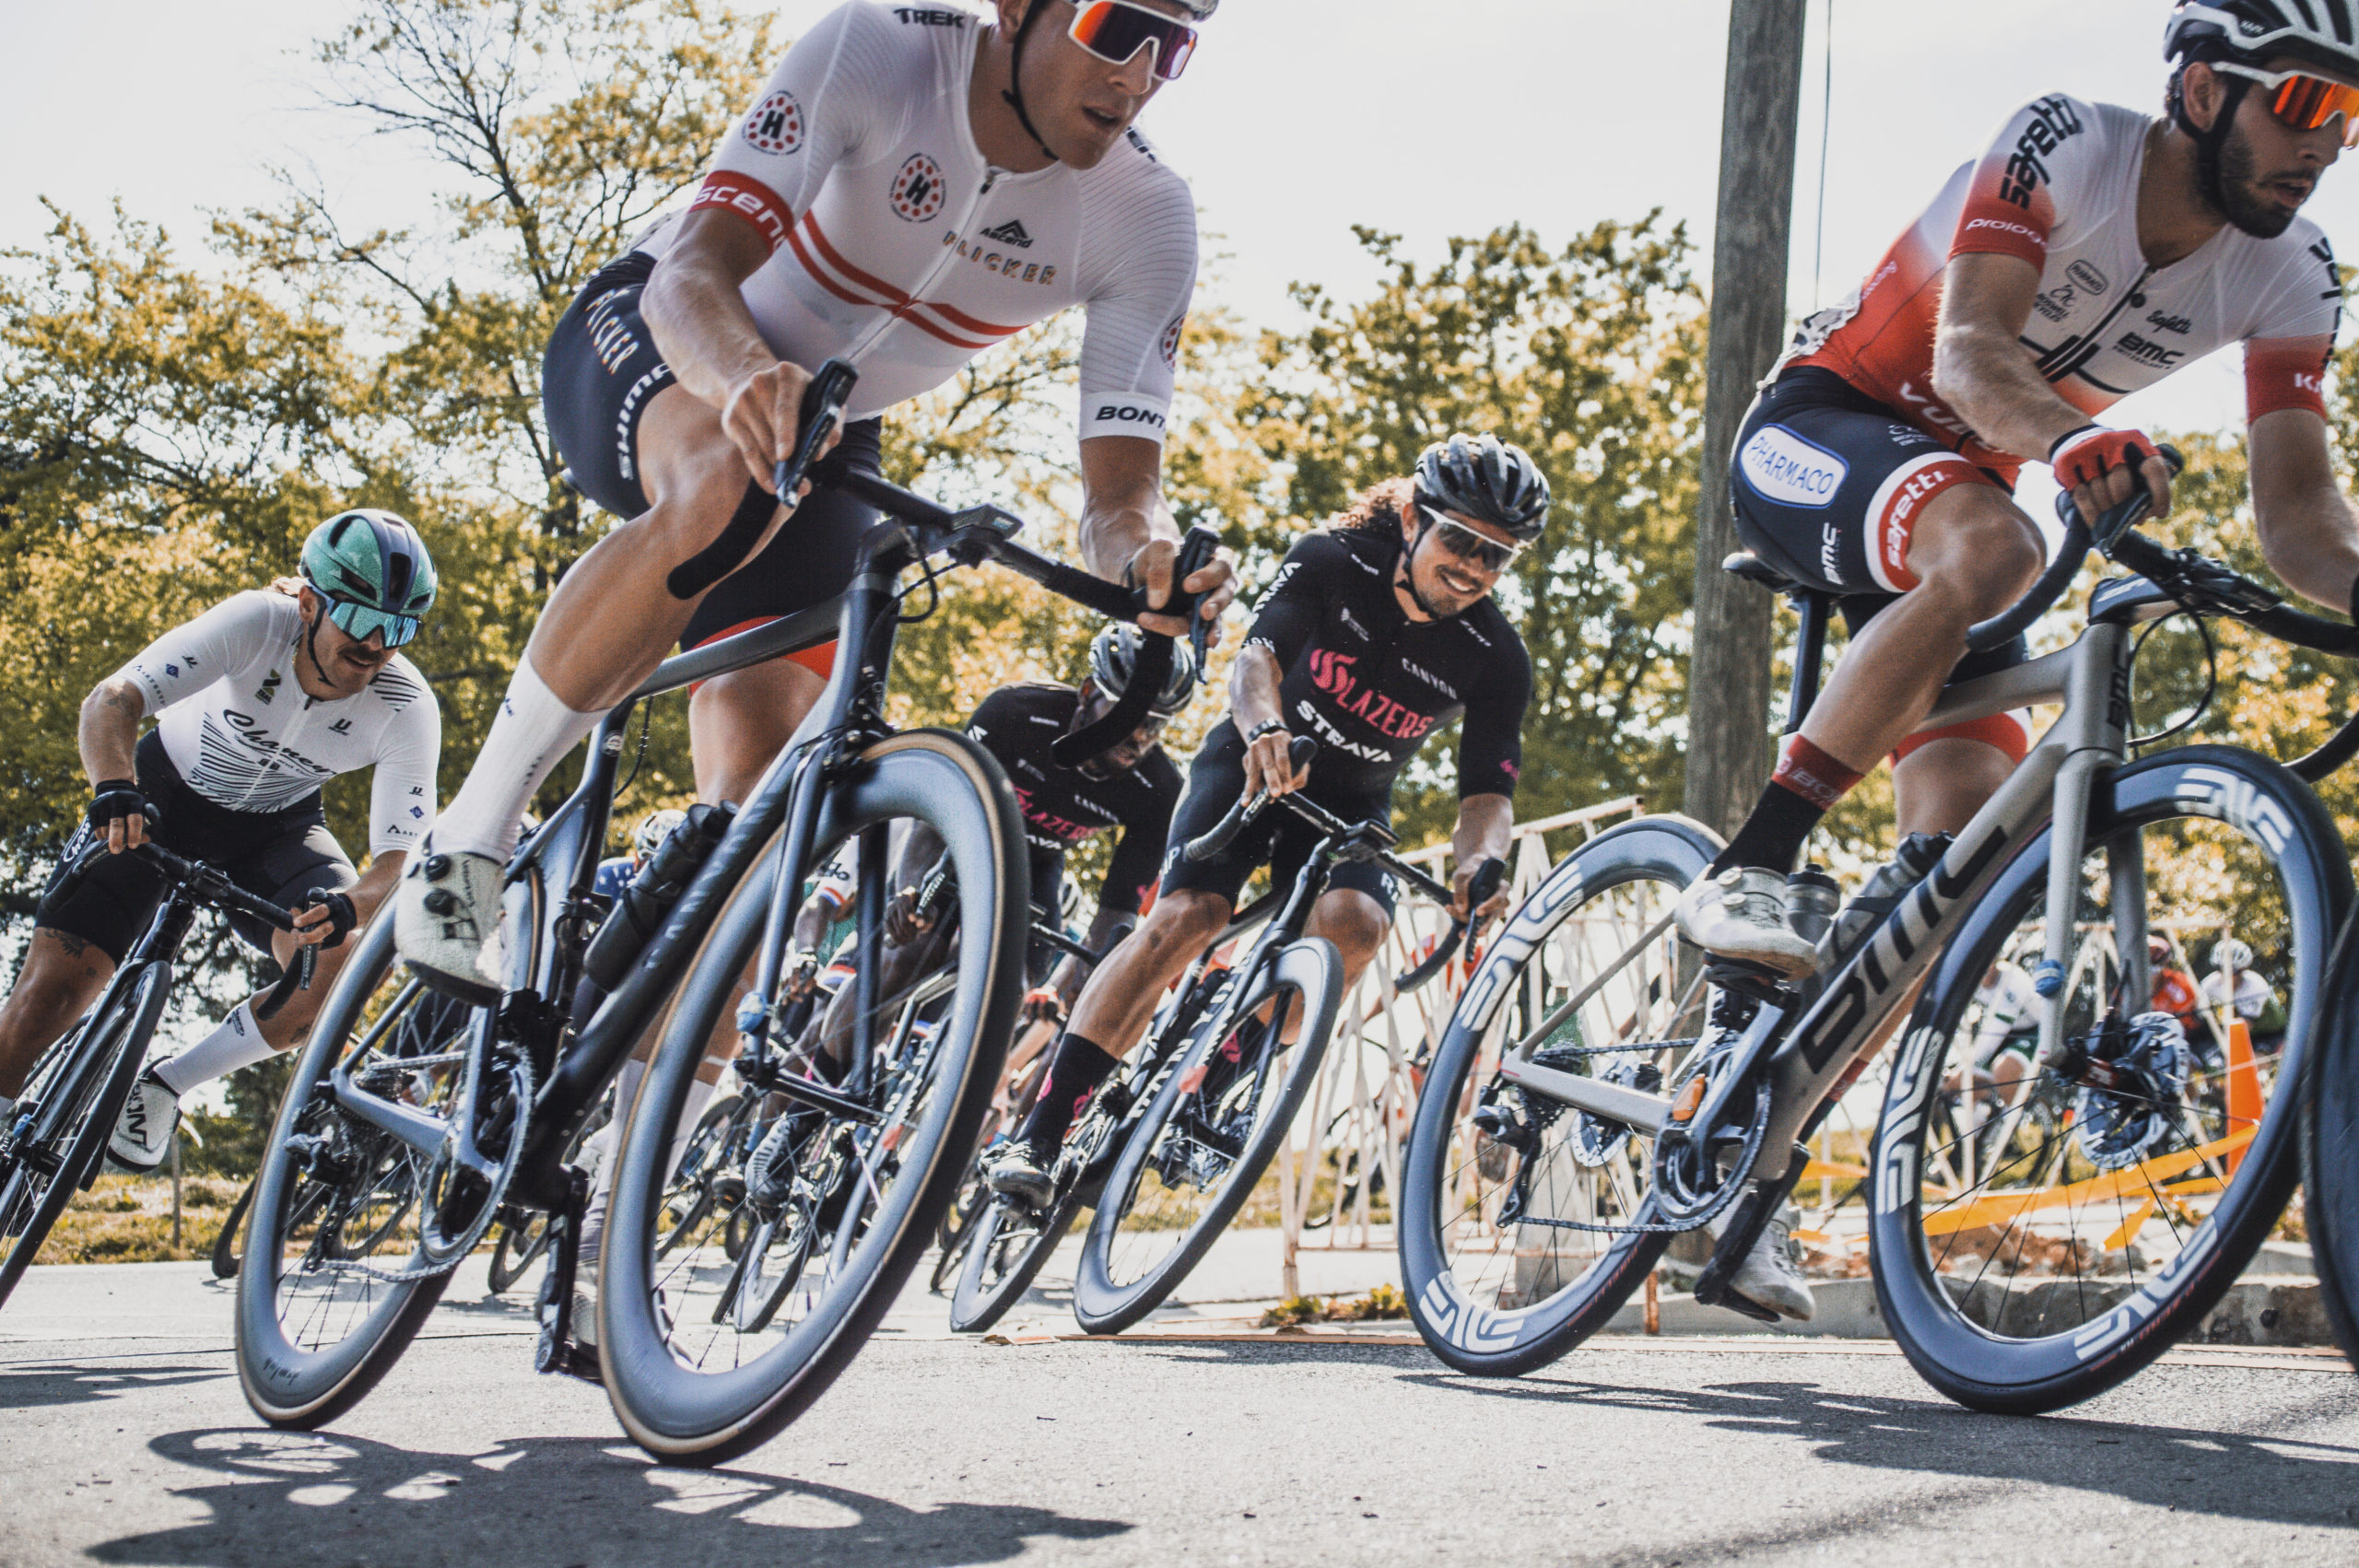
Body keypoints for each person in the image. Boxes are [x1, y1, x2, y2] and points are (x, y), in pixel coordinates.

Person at [394, 0, 1236, 1002]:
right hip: (675, 337)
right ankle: (466, 845)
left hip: (827, 429)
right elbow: (690, 272)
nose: (1140, 72)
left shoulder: (1146, 213)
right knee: (731, 475)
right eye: (1117, 25)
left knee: (761, 832)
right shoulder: (883, 50)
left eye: (1173, 46)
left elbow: (1121, 496)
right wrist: (744, 377)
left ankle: (644, 1095)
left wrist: (1147, 561)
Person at [1676, 1, 2359, 995]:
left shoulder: (2295, 272)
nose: (2327, 143)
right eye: (2305, 100)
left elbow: (2300, 518)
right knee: (1999, 547)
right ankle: (1753, 861)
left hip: (1963, 499)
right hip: (1823, 423)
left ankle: (1787, 1067)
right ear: (2205, 89)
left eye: (2352, 114)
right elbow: (1965, 353)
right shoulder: (2068, 143)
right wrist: (2073, 440)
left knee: (1965, 862)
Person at [983, 435, 1538, 1209]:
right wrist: (1265, 730)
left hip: (1352, 804)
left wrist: (1480, 864)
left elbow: (1486, 794)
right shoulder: (1332, 559)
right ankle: (1038, 1133)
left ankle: (1213, 1086)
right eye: (1460, 539)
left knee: (1358, 926)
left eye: (1496, 556)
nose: (1474, 566)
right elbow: (1255, 662)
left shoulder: (1497, 655)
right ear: (1414, 518)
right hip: (1252, 756)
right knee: (1187, 916)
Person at [0, 512, 440, 1172]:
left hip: (275, 831)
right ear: (310, 603)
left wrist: (350, 905)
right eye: (360, 618)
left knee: (340, 965)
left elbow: (401, 861)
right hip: (158, 798)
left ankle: (166, 1084)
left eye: (400, 628)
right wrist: (113, 785)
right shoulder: (256, 623)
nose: (378, 644)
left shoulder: (407, 706)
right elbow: (113, 699)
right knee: (50, 997)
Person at [2200, 935, 2287, 1052]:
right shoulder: (2209, 985)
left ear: (2243, 970)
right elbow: (2201, 1016)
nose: (2228, 975)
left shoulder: (2256, 985)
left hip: (2269, 1033)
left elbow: (2244, 1027)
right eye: (2222, 969)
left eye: (2234, 971)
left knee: (2257, 1058)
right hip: (2234, 1034)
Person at [592, 808, 690, 903]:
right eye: (653, 862)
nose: (662, 874)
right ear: (637, 859)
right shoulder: (611, 875)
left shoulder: (691, 890)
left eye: (672, 866)